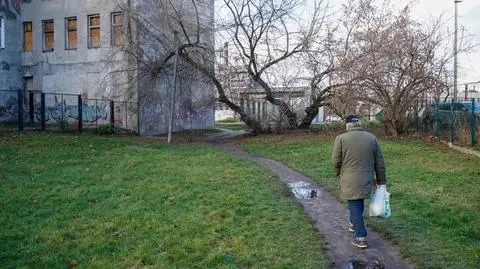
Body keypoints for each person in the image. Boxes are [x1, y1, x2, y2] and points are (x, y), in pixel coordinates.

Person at [332, 115, 386, 249]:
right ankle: (353, 223)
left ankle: (360, 237)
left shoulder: (341, 139)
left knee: (354, 202)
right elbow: (380, 162)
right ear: (360, 124)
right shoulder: (372, 138)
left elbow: (335, 161)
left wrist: (338, 173)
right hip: (367, 177)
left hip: (348, 177)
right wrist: (381, 180)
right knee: (358, 199)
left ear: (347, 126)